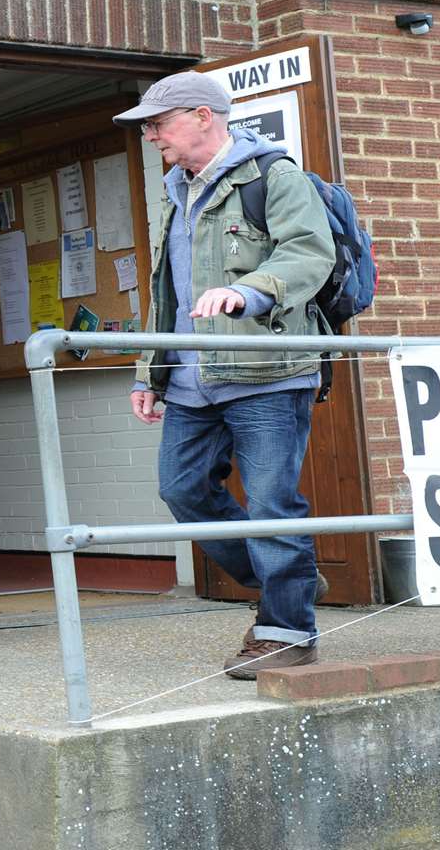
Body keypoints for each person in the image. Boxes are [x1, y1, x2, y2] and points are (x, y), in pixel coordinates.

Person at [119, 71, 335, 679]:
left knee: (271, 504)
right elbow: (165, 291)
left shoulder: (275, 178)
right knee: (182, 490)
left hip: (265, 373)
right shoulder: (174, 191)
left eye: (159, 123)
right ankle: (284, 578)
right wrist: (149, 373)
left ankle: (287, 630)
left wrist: (250, 292)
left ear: (203, 116)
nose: (152, 135)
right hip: (192, 380)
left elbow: (308, 254)